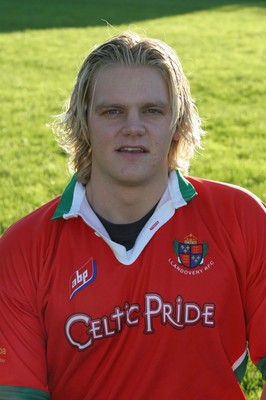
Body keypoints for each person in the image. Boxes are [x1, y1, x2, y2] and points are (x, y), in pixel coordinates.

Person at [0, 32, 265, 400]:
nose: (133, 127)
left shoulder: (242, 218)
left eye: (152, 111)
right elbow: (16, 394)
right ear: (84, 123)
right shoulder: (22, 248)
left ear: (178, 124)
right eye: (113, 111)